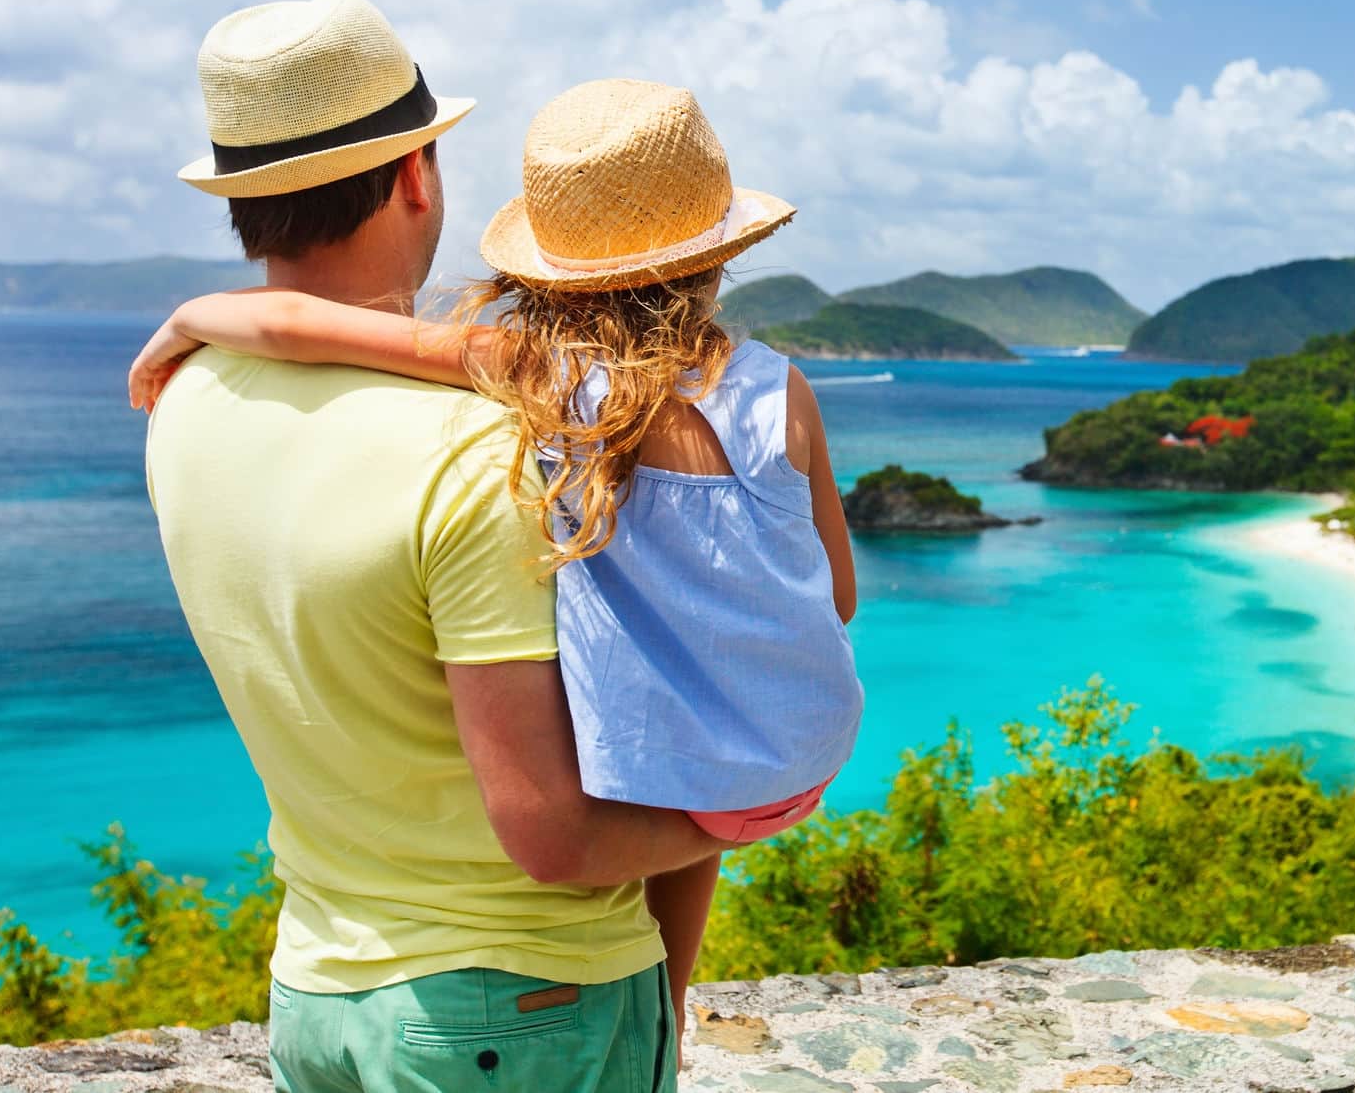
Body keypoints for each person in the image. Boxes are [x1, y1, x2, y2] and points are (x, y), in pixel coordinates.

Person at [135, 75, 865, 1069]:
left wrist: (206, 316)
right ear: (718, 251)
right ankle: (675, 1002)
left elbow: (334, 331)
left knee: (654, 712)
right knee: (684, 705)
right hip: (780, 774)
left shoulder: (543, 393)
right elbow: (836, 598)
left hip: (335, 976)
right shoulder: (769, 388)